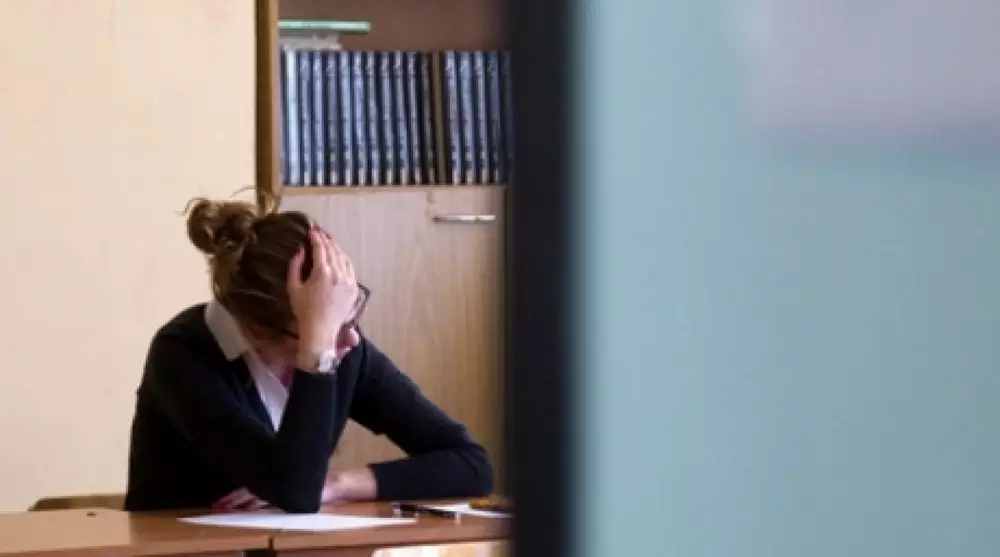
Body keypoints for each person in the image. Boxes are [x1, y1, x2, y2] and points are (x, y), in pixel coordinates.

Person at [124, 197, 493, 513]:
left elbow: (472, 465)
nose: (350, 339)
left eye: (350, 312)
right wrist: (317, 354)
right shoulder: (182, 354)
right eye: (324, 325)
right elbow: (296, 491)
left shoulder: (344, 345)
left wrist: (339, 483)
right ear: (256, 327)